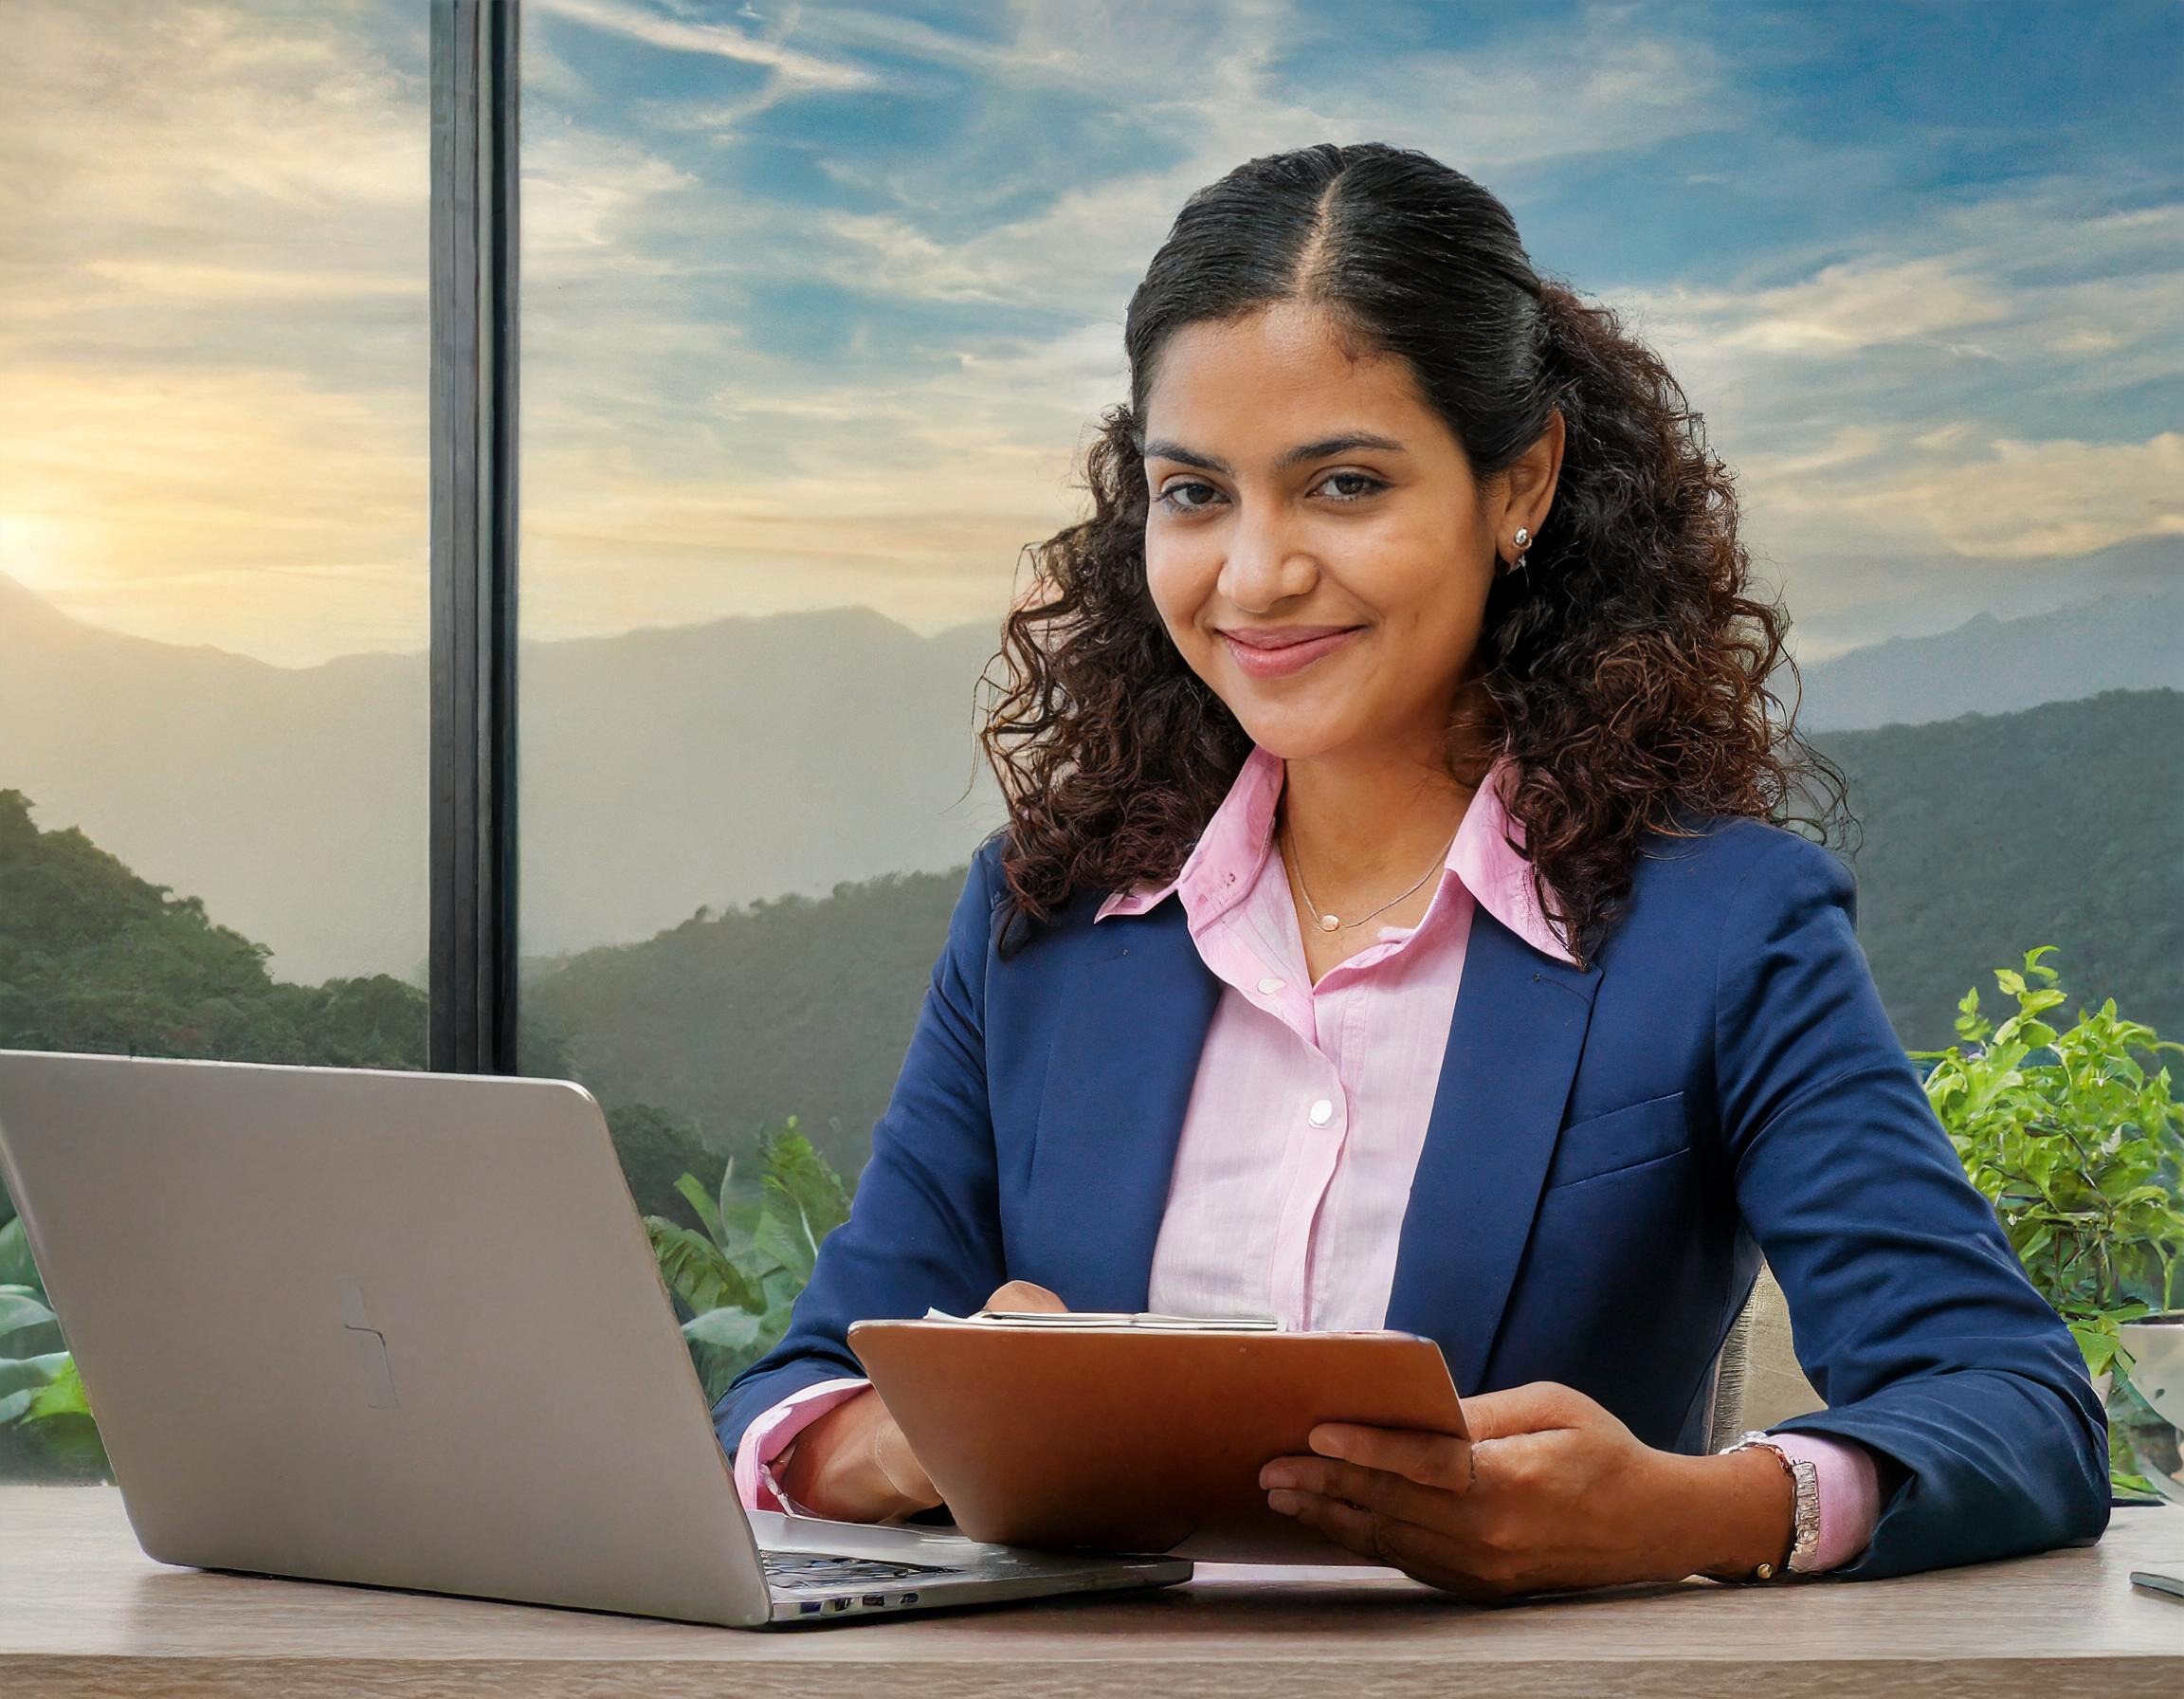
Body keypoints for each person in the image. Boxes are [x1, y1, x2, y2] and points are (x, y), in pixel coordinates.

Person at [712, 141, 2108, 1594]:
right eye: (1195, 495)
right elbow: (786, 1400)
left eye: (1345, 485)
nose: (1254, 576)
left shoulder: (1723, 929)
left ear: (1523, 483)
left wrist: (1693, 1512)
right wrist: (907, 1442)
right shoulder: (1044, 922)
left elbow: (2017, 1408)